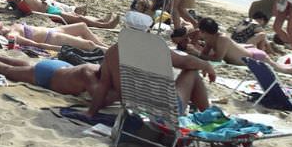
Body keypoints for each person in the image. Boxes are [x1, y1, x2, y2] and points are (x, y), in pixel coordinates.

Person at [87, 43, 215, 117]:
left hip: (135, 114)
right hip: (165, 113)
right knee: (192, 73)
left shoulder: (112, 52)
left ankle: (207, 114)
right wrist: (206, 65)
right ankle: (208, 117)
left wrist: (91, 113)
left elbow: (102, 87)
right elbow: (185, 62)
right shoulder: (151, 46)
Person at [196, 17, 292, 81]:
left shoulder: (222, 39)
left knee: (283, 69)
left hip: (256, 57)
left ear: (204, 31)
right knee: (280, 67)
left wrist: (195, 52)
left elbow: (217, 60)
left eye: (200, 31)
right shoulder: (210, 39)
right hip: (249, 52)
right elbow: (204, 55)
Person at [0, 52, 101, 97]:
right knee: (8, 71)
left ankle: (1, 58)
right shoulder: (90, 75)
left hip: (60, 67)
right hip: (48, 75)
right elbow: (98, 98)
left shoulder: (95, 69)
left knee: (29, 66)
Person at [0, 20, 108, 51]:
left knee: (82, 26)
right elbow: (35, 44)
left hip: (54, 30)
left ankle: (106, 47)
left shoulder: (12, 27)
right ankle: (109, 52)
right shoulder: (12, 35)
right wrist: (58, 49)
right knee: (89, 45)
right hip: (52, 38)